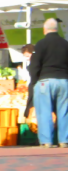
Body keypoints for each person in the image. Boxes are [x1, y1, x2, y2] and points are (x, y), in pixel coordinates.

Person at [28, 19, 68, 148]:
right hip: (64, 81)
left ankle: (47, 141)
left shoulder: (40, 44)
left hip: (45, 81)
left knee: (44, 111)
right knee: (64, 111)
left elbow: (34, 66)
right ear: (57, 29)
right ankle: (64, 140)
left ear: (44, 30)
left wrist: (34, 81)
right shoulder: (66, 44)